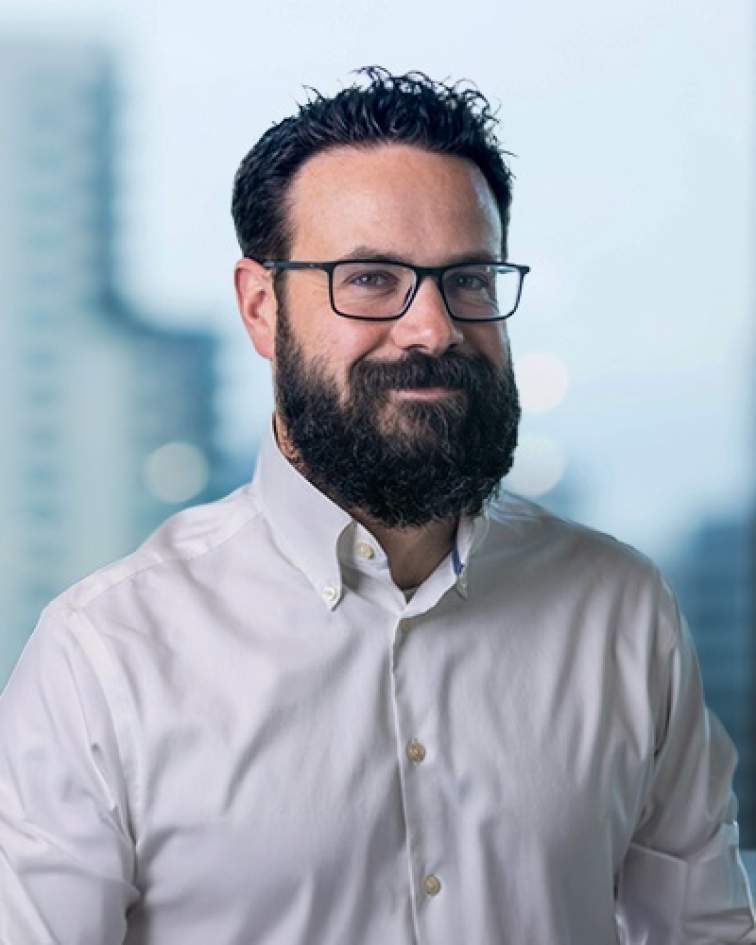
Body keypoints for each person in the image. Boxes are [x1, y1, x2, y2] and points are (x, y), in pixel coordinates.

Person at [0, 65, 754, 945]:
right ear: (260, 307)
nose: (432, 327)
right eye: (368, 278)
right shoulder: (105, 655)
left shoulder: (621, 610)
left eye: (468, 278)